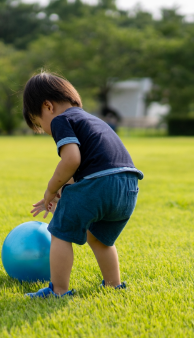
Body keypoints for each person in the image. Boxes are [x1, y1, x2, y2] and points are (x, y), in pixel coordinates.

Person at [22, 72, 143, 298]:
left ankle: (58, 290)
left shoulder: (61, 120)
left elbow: (71, 160)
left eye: (41, 125)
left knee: (60, 233)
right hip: (128, 186)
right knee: (99, 238)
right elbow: (91, 165)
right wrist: (58, 193)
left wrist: (50, 188)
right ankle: (113, 285)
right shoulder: (93, 120)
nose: (48, 131)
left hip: (99, 185)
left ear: (48, 106)